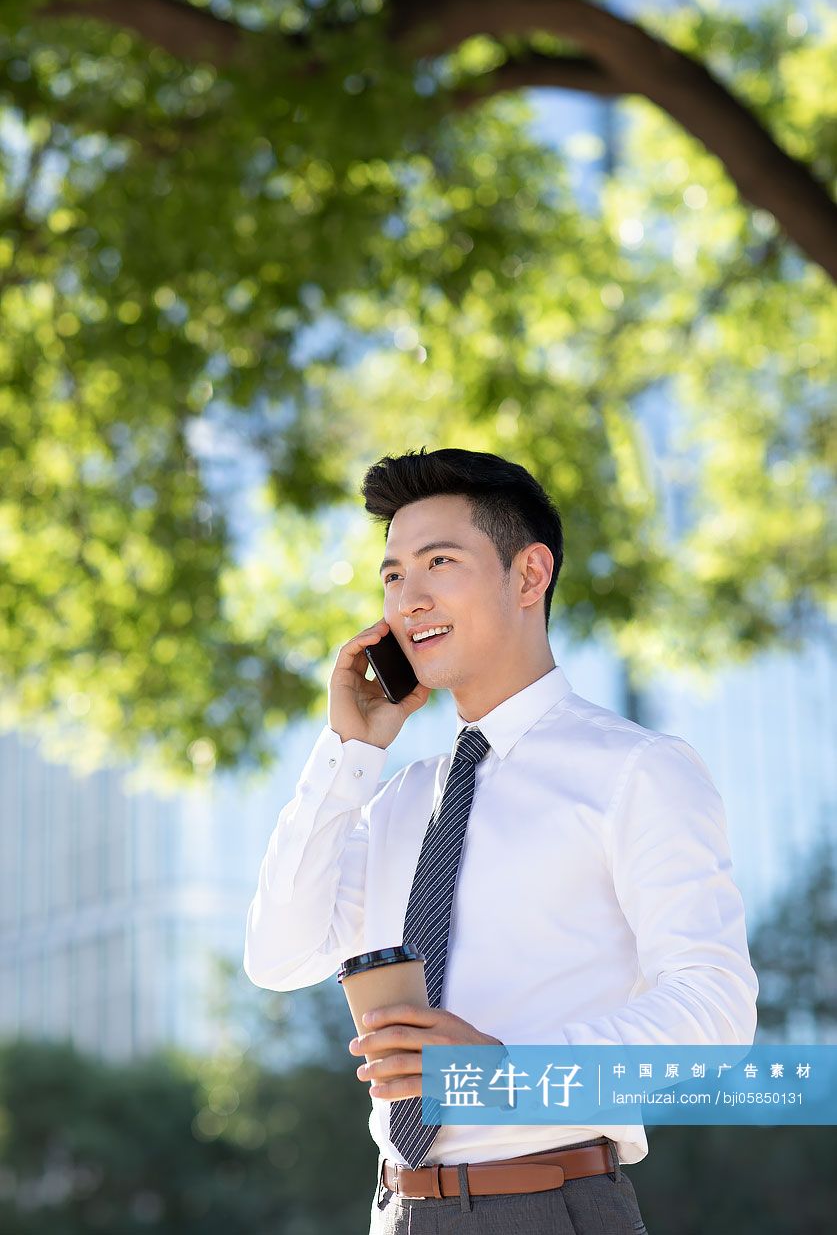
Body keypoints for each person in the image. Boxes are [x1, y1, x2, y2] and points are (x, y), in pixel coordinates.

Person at [243, 447, 759, 1234]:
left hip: (548, 1203)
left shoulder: (635, 771)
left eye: (438, 561)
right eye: (390, 575)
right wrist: (348, 751)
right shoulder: (397, 799)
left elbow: (714, 1014)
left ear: (528, 575)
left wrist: (510, 1074)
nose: (407, 597)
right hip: (395, 1208)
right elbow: (278, 955)